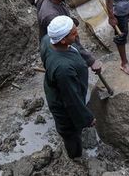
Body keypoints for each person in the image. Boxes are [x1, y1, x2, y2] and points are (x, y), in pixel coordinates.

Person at [40, 16, 97, 159]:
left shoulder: (48, 40)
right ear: (63, 40)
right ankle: (75, 157)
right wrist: (87, 118)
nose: (77, 34)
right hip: (63, 105)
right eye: (73, 33)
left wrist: (89, 61)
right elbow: (72, 100)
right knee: (71, 133)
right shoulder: (63, 69)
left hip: (58, 89)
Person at [27, 0, 103, 71]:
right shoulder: (51, 16)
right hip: (58, 49)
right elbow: (71, 41)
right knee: (70, 71)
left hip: (56, 40)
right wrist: (90, 61)